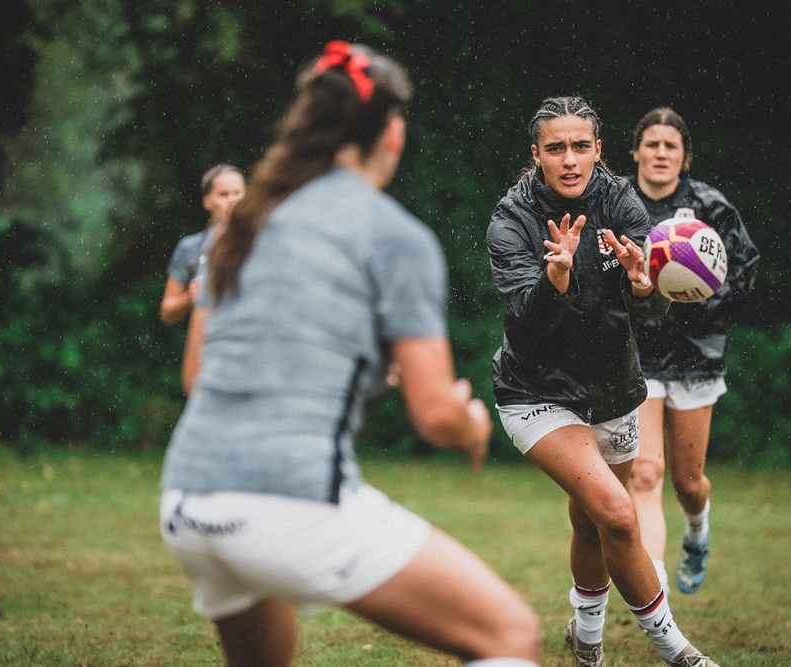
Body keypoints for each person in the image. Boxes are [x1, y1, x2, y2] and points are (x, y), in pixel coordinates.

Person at [159, 41, 541, 667]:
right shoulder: (395, 236)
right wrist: (470, 423)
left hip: (186, 501)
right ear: (392, 133)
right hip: (290, 502)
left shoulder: (244, 223)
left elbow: (199, 376)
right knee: (510, 637)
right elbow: (435, 415)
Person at [486, 96, 720, 667]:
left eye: (581, 146)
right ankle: (678, 651)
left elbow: (651, 314)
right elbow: (528, 317)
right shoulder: (511, 219)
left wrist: (644, 285)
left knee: (592, 523)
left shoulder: (620, 201)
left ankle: (586, 644)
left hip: (613, 390)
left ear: (598, 151)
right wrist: (556, 278)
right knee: (618, 513)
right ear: (535, 154)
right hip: (535, 393)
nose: (570, 159)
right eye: (557, 148)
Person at [626, 107, 760, 596]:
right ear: (636, 150)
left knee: (687, 482)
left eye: (671, 146)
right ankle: (655, 594)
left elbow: (743, 268)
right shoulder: (618, 202)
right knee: (645, 473)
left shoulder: (710, 205)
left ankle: (697, 533)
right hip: (636, 354)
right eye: (652, 143)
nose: (661, 153)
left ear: (684, 157)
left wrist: (698, 300)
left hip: (695, 356)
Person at [160, 164, 246, 325]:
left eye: (237, 193)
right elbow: (167, 312)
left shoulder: (263, 241)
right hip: (208, 341)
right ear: (207, 202)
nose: (233, 200)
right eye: (224, 194)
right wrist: (189, 297)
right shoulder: (190, 247)